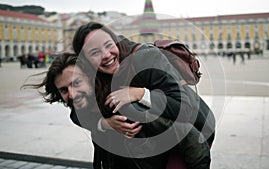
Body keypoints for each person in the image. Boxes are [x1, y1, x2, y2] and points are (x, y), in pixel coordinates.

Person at [22, 52, 211, 169]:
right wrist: (102, 124)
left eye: (76, 83)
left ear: (91, 78)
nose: (71, 94)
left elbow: (193, 142)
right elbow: (76, 116)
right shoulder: (89, 109)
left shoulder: (128, 108)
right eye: (64, 90)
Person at [72, 22, 215, 168]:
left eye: (109, 45)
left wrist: (140, 93)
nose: (106, 55)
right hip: (144, 145)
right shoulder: (89, 73)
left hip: (189, 135)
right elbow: (77, 113)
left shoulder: (146, 57)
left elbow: (184, 108)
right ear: (85, 59)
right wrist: (105, 123)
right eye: (95, 52)